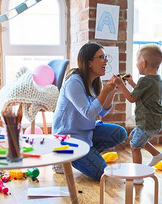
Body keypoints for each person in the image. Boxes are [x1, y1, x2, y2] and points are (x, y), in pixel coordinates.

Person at [52, 42, 127, 181]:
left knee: (120, 133)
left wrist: (111, 92)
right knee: (102, 173)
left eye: (106, 56)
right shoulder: (73, 82)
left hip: (86, 133)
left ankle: (87, 156)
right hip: (68, 139)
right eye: (101, 57)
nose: (106, 60)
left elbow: (102, 112)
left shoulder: (94, 81)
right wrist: (105, 91)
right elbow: (89, 113)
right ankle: (64, 158)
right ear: (89, 63)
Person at [113, 44, 162, 184]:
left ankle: (138, 177)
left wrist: (121, 84)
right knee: (133, 137)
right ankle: (156, 154)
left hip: (147, 123)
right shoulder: (155, 79)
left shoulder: (145, 80)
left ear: (144, 63)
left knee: (135, 147)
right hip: (155, 121)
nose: (136, 64)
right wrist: (130, 82)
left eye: (137, 60)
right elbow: (142, 93)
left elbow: (132, 98)